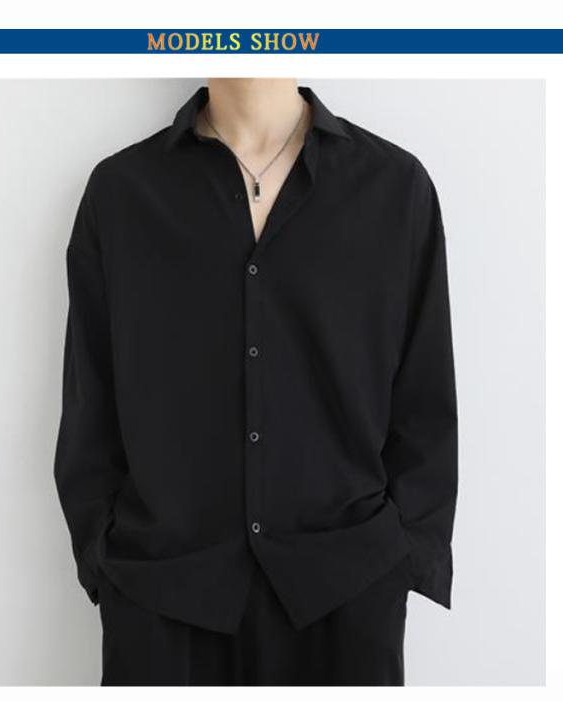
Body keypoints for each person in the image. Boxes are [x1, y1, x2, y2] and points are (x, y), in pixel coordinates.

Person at [53, 78, 459, 686]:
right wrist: (103, 561)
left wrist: (402, 556)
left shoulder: (394, 188)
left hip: (346, 590)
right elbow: (90, 398)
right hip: (160, 592)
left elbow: (426, 400)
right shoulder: (122, 193)